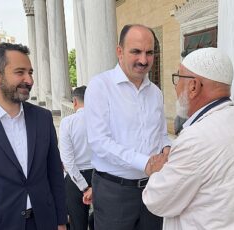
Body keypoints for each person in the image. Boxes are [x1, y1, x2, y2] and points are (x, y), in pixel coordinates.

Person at [142, 48, 234, 230]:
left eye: (178, 78)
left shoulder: (194, 141)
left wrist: (157, 171)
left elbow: (158, 201)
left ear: (193, 86)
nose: (176, 86)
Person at [84, 24, 171, 230]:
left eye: (149, 53)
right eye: (136, 52)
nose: (143, 60)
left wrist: (167, 150)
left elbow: (161, 135)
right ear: (119, 52)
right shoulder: (100, 86)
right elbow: (99, 142)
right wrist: (145, 163)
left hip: (153, 188)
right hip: (115, 191)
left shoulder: (156, 92)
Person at [0, 43, 67, 230]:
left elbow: (55, 174)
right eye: (20, 72)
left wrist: (61, 221)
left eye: (30, 72)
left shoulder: (43, 117)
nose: (29, 80)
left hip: (45, 222)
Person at [59, 85, 94, 230]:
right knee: (103, 221)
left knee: (77, 224)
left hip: (75, 180)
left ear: (74, 101)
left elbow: (67, 161)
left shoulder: (67, 122)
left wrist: (84, 186)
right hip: (101, 178)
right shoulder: (101, 121)